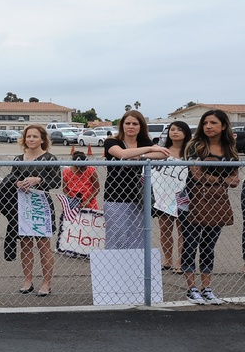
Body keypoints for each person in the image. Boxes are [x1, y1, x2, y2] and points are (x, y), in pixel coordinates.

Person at [181, 109, 240, 305]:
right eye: (205, 123)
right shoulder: (195, 147)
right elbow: (197, 175)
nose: (208, 126)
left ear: (223, 126)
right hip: (192, 201)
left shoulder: (230, 150)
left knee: (208, 246)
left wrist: (218, 180)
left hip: (217, 203)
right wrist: (224, 179)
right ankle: (191, 289)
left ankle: (206, 287)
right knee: (190, 244)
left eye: (213, 123)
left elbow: (235, 180)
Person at [2, 125, 61, 297]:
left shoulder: (50, 159)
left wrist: (39, 180)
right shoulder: (19, 159)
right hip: (23, 206)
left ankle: (46, 282)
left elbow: (57, 181)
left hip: (41, 206)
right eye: (28, 136)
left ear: (42, 139)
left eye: (35, 136)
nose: (31, 139)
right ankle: (27, 280)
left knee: (44, 246)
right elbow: (11, 178)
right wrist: (17, 183)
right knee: (25, 244)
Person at [103, 110, 169, 248]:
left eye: (135, 123)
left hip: (138, 196)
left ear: (141, 126)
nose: (131, 126)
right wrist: (149, 149)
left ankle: (136, 269)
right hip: (115, 196)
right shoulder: (112, 141)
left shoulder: (144, 142)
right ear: (122, 125)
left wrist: (140, 157)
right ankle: (115, 269)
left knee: (137, 238)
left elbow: (163, 154)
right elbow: (122, 154)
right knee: (117, 237)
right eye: (127, 123)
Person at [155, 121, 191, 271]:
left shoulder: (190, 152)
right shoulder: (162, 151)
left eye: (179, 130)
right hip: (163, 195)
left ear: (186, 133)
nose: (175, 132)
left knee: (182, 230)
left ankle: (180, 262)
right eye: (172, 129)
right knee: (164, 229)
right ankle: (168, 260)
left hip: (184, 195)